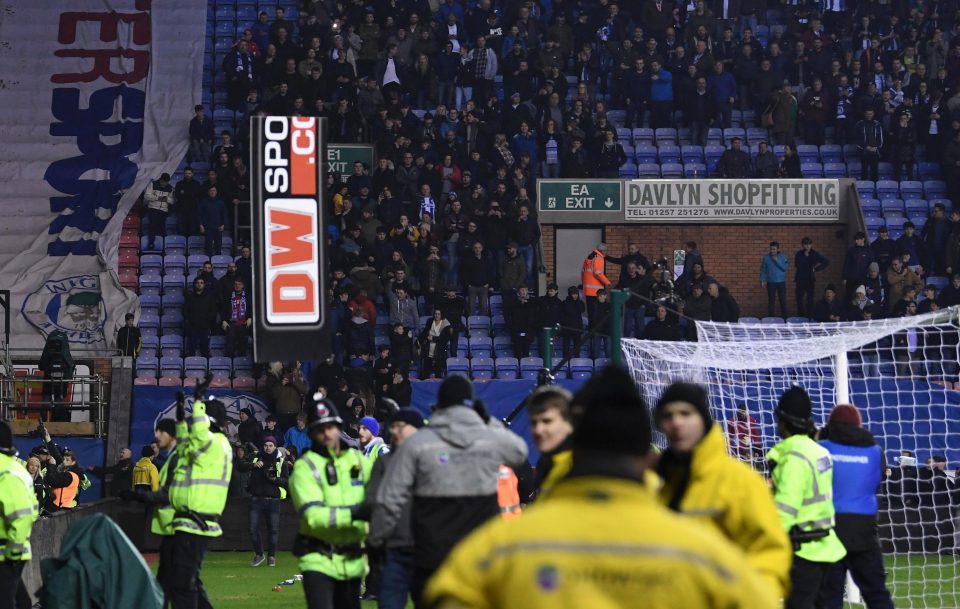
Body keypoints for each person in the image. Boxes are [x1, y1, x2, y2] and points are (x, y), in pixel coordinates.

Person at [424, 367, 779, 609]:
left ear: (574, 442)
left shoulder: (497, 550)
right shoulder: (705, 557)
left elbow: (447, 594)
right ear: (646, 454)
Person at [370, 375, 528, 606]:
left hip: (432, 557)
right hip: (480, 556)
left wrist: (377, 540)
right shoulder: (491, 438)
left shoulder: (417, 444)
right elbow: (519, 452)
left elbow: (389, 500)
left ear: (439, 406)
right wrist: (487, 421)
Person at [654, 382, 791, 600]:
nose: (676, 422)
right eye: (668, 415)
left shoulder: (741, 482)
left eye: (685, 413)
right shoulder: (659, 487)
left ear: (704, 420)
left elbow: (770, 551)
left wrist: (754, 599)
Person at [289, 395, 372, 609]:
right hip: (318, 559)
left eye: (330, 426)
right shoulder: (304, 467)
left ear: (339, 427)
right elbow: (313, 516)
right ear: (312, 433)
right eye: (319, 429)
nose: (326, 433)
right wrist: (356, 513)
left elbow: (379, 501)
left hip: (352, 561)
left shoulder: (359, 461)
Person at [768, 386, 847, 609]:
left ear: (782, 422)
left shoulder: (792, 459)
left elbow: (785, 511)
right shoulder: (820, 452)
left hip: (804, 556)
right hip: (830, 550)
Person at [818, 404, 895, 609]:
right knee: (877, 593)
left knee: (829, 595)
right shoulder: (876, 451)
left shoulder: (822, 448)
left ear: (831, 424)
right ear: (859, 425)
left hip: (830, 527)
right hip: (864, 528)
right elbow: (877, 481)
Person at [368, 408, 426, 609]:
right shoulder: (384, 461)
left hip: (426, 550)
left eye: (401, 426)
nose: (395, 431)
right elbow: (373, 501)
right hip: (392, 549)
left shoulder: (433, 460)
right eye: (393, 426)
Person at [0, 421, 39, 609]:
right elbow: (31, 509)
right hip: (11, 554)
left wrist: (12, 553)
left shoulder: (4, 471)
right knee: (19, 601)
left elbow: (21, 515)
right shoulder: (16, 469)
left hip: (6, 554)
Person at [242, 436, 290, 568]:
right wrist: (253, 464)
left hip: (273, 500)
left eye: (270, 445)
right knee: (252, 528)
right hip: (256, 499)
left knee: (273, 530)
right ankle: (259, 554)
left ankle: (271, 556)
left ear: (275, 446)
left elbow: (287, 482)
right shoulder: (255, 456)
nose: (268, 448)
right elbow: (239, 465)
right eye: (266, 445)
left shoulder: (282, 462)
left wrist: (274, 478)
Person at [527, 385, 574, 496]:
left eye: (547, 421)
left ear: (568, 422)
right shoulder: (545, 462)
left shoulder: (585, 464)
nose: (538, 430)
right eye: (534, 423)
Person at [795, 237, 830, 319]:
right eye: (805, 245)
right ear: (803, 245)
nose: (807, 246)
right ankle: (801, 317)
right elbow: (797, 265)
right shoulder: (799, 254)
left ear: (811, 245)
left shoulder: (814, 253)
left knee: (810, 300)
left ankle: (809, 317)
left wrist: (816, 269)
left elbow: (826, 262)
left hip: (810, 279)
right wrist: (805, 257)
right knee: (799, 299)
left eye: (809, 245)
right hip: (800, 279)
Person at [580, 243, 611, 327]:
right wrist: (607, 282)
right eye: (606, 251)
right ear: (603, 250)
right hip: (596, 292)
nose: (606, 252)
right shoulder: (599, 258)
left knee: (591, 314)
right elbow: (598, 273)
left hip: (587, 290)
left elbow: (583, 272)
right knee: (596, 314)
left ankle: (591, 334)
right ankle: (596, 332)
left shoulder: (589, 257)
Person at [222, 277, 252, 357]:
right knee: (229, 347)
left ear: (243, 286)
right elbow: (223, 309)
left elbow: (253, 308)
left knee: (242, 347)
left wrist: (250, 317)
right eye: (235, 284)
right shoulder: (228, 296)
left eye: (239, 284)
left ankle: (241, 365)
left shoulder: (248, 297)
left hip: (244, 324)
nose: (237, 286)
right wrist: (224, 320)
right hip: (231, 325)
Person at [144, 173, 174, 250]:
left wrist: (166, 199)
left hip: (163, 210)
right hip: (153, 208)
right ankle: (151, 243)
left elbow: (172, 201)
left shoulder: (170, 188)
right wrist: (158, 198)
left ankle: (164, 245)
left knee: (162, 228)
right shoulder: (153, 184)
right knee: (152, 226)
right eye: (163, 182)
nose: (165, 184)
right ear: (160, 180)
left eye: (166, 182)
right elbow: (147, 196)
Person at [760, 241, 789, 318]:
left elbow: (785, 268)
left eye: (774, 249)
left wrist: (777, 261)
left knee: (782, 301)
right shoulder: (766, 258)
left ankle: (785, 319)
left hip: (781, 282)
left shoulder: (783, 257)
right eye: (771, 249)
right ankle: (771, 319)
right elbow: (763, 269)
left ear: (778, 249)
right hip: (771, 282)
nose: (772, 251)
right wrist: (763, 279)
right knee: (771, 301)